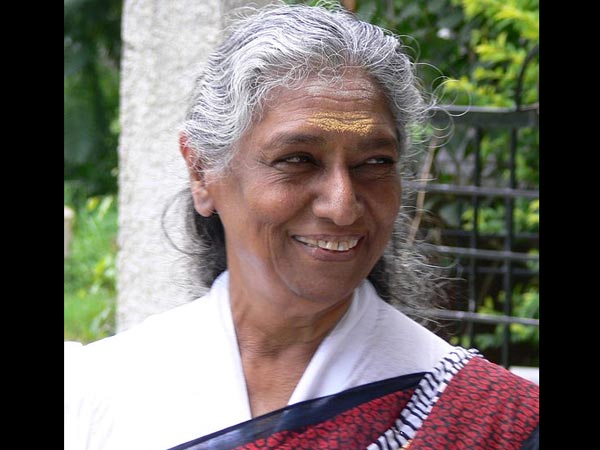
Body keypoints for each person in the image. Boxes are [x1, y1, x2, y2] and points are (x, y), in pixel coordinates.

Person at [64, 2, 539, 449]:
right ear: (202, 171)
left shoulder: (491, 421)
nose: (342, 206)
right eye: (297, 159)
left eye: (375, 162)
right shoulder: (103, 394)